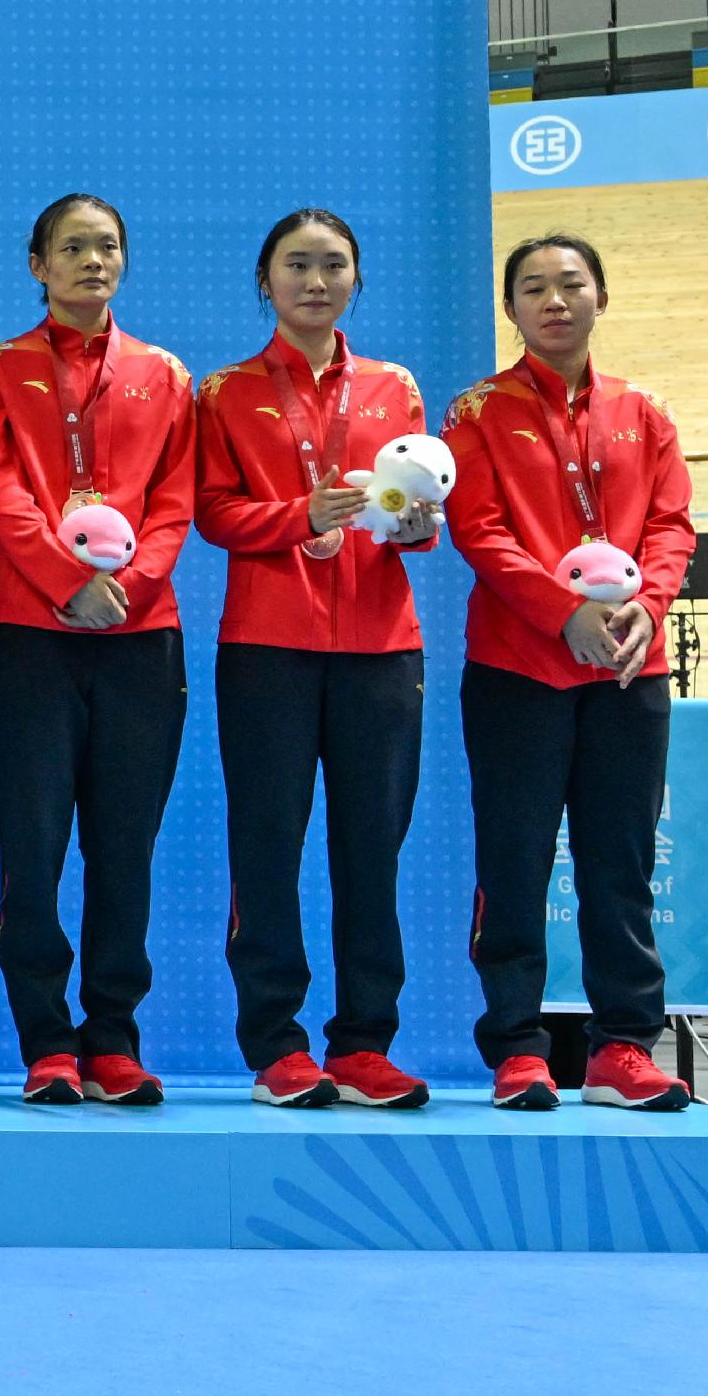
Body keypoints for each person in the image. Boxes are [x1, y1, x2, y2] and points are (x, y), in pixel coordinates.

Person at [193, 210, 440, 1108]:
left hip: (381, 648)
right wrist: (299, 515)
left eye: (334, 265)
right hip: (268, 648)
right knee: (268, 846)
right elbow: (212, 511)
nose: (315, 281)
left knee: (372, 851)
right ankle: (277, 1045)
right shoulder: (224, 391)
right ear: (266, 280)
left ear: (355, 281)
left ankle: (365, 1043)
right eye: (296, 265)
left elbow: (417, 506)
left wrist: (416, 528)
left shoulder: (394, 387)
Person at [445, 235, 697, 1112]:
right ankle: (517, 1048)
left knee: (620, 865)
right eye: (533, 288)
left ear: (601, 297)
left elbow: (671, 524)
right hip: (517, 670)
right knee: (513, 862)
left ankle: (622, 1048)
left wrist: (647, 606)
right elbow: (479, 530)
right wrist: (565, 613)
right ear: (510, 309)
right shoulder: (476, 412)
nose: (554, 301)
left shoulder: (645, 412)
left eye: (571, 284)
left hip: (630, 669)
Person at [0, 194, 198, 1105]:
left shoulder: (164, 375)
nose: (92, 261)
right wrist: (67, 581)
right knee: (33, 844)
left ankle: (113, 1038)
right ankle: (46, 1042)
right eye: (72, 248)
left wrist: (127, 586)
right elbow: (1, 490)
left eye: (106, 247)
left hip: (141, 635)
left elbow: (175, 502)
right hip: (30, 633)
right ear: (39, 265)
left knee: (124, 846)